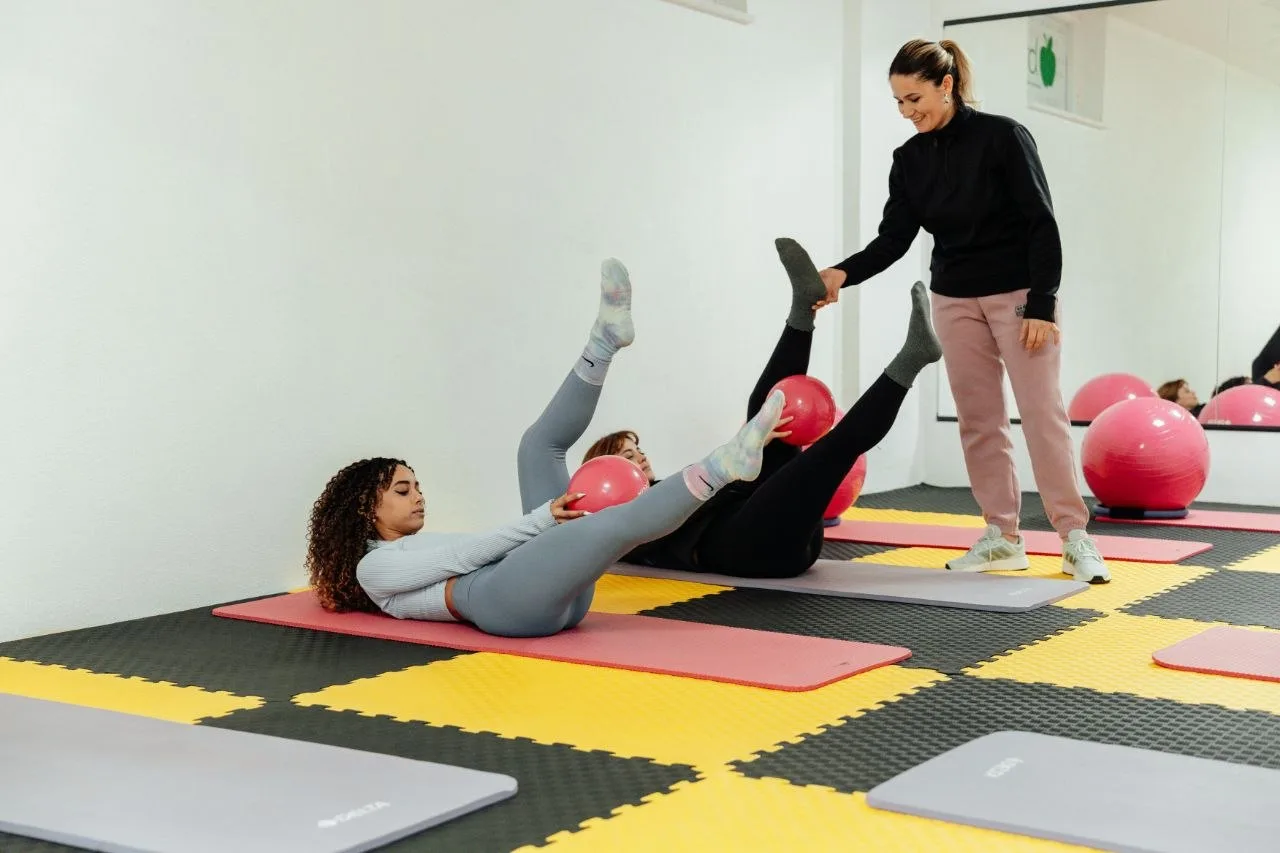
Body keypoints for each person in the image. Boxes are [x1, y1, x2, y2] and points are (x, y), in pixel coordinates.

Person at [303, 259, 789, 638]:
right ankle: (723, 467)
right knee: (609, 524)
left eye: (416, 486)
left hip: (541, 591)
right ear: (369, 507)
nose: (419, 496)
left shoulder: (401, 550)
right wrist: (542, 520)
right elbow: (464, 557)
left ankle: (603, 342)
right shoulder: (374, 568)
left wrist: (542, 527)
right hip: (508, 606)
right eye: (404, 490)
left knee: (537, 447)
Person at [812, 38, 1109, 584]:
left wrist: (1042, 303)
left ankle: (1074, 537)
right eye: (898, 102)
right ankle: (1002, 537)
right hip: (953, 298)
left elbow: (1041, 223)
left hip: (1019, 296)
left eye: (914, 97)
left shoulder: (1003, 136)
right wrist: (841, 273)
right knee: (979, 421)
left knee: (1042, 416)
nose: (907, 112)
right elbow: (894, 240)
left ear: (946, 85)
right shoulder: (909, 160)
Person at [581, 237, 944, 580]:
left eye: (638, 450)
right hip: (758, 551)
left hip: (769, 521)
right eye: (627, 456)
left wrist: (754, 446)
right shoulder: (620, 530)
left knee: (769, 409)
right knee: (833, 449)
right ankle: (911, 360)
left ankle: (803, 308)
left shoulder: (666, 490)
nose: (640, 458)